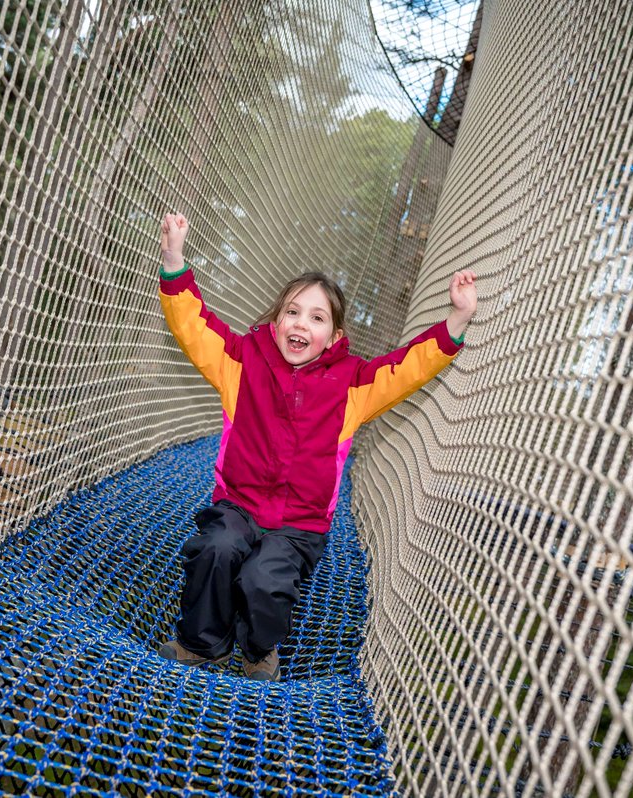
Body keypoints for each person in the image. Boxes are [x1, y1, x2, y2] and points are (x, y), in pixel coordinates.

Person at [155, 211, 476, 681]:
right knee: (215, 550)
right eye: (292, 311)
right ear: (276, 320)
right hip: (237, 504)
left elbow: (408, 367)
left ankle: (258, 649)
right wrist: (174, 260)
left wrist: (457, 318)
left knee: (264, 580)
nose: (301, 323)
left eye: (317, 316)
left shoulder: (353, 385)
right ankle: (202, 644)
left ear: (335, 337)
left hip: (299, 524)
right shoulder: (242, 362)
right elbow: (194, 327)